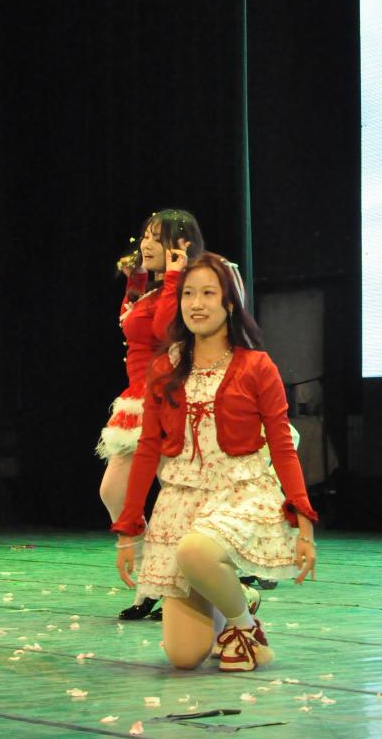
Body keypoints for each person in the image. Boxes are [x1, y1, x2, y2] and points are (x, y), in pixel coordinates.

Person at [113, 252, 318, 671]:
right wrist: (128, 530)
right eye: (188, 294)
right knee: (184, 657)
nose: (196, 304)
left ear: (229, 304)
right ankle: (235, 596)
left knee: (196, 550)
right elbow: (148, 447)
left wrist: (304, 521)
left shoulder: (256, 366)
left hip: (237, 492)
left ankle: (245, 628)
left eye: (208, 294)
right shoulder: (165, 368)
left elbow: (282, 445)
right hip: (181, 500)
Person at [97, 209, 204, 620]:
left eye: (157, 238)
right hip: (137, 399)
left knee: (175, 499)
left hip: (167, 399)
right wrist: (137, 279)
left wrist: (174, 276)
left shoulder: (187, 289)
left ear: (181, 245)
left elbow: (163, 331)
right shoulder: (152, 289)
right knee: (114, 491)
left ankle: (182, 587)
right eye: (145, 235)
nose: (145, 243)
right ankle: (152, 578)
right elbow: (130, 323)